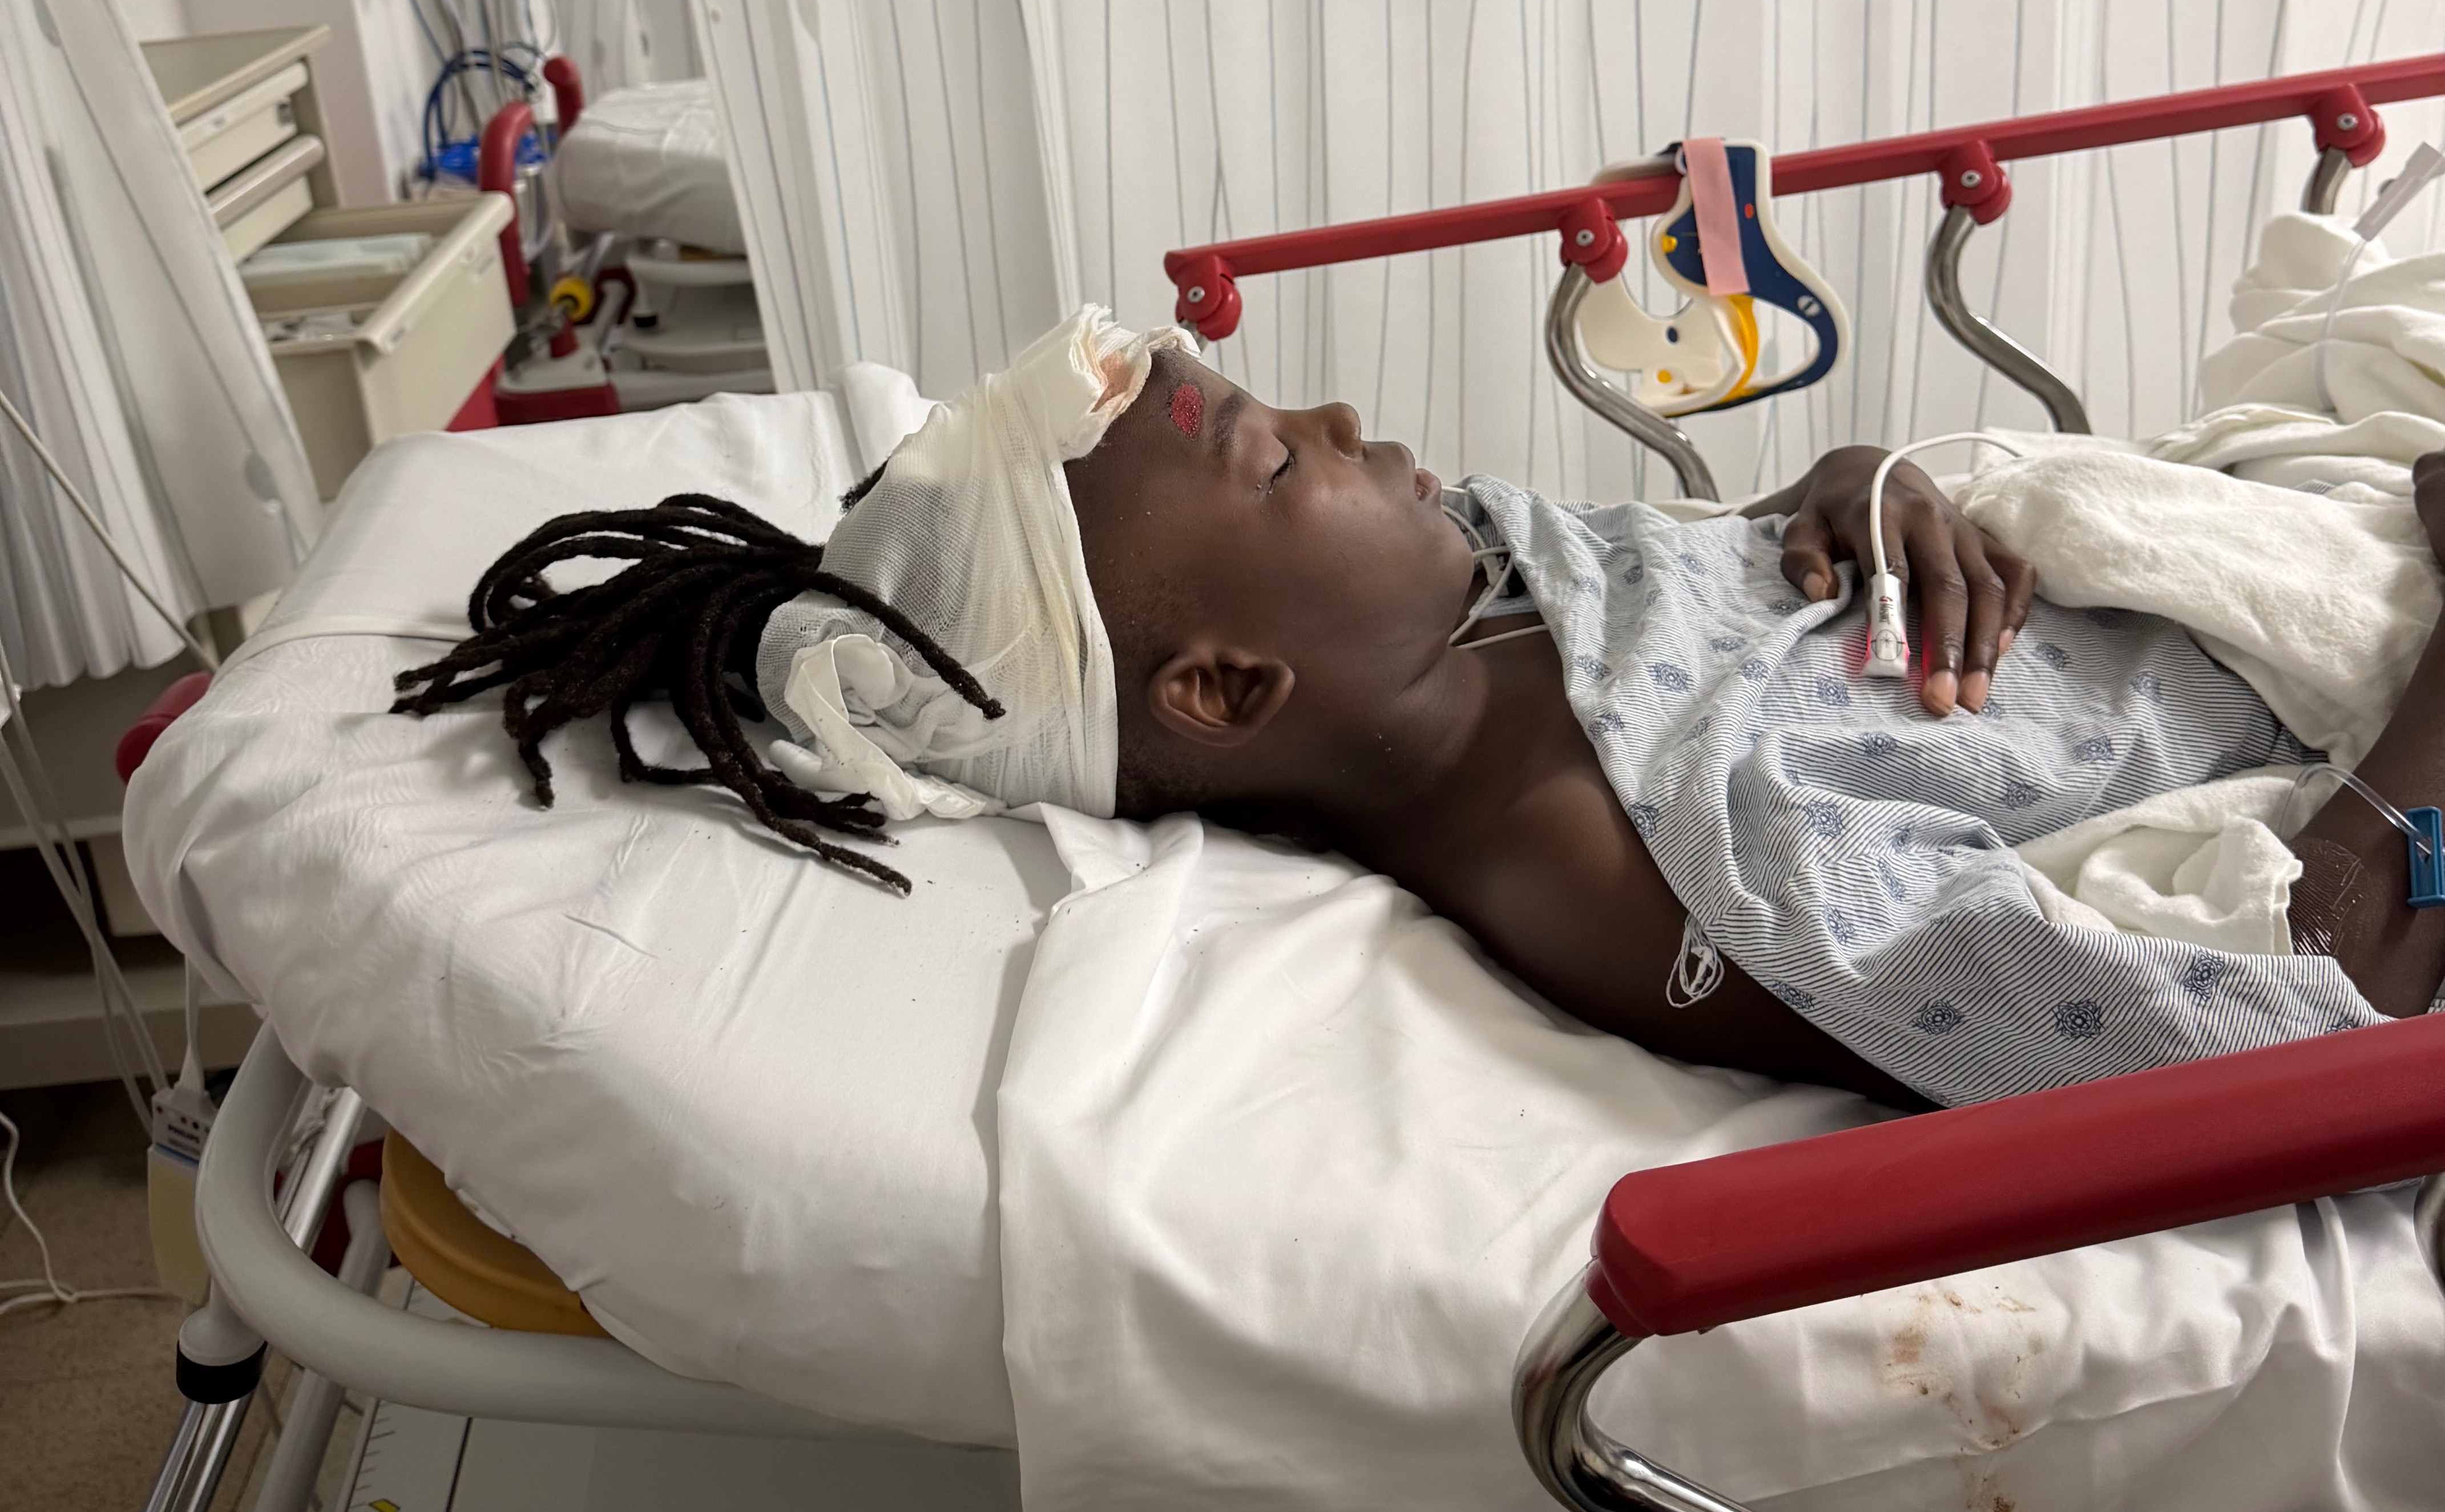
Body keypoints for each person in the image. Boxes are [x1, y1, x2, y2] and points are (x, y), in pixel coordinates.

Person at [394, 307, 2445, 1109]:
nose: (1342, 415)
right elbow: (2300, 1029)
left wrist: (1848, 483)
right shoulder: (1665, 873)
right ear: (1222, 685)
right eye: (1279, 458)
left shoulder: (1488, 598)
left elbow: (1713, 583)